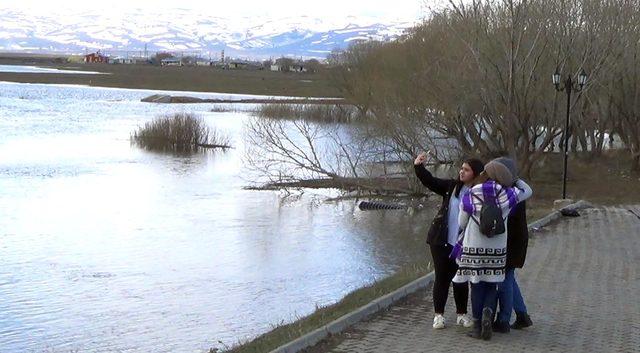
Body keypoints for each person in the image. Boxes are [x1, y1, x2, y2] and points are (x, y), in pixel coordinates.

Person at [452, 161, 532, 340]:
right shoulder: (507, 194)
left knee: (476, 284)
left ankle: (478, 325)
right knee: (491, 284)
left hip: (474, 247)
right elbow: (528, 191)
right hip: (497, 249)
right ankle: (489, 311)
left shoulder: (473, 192)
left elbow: (461, 223)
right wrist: (515, 179)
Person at [414, 152, 484, 329]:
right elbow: (430, 181)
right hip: (440, 240)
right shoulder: (451, 187)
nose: (462, 172)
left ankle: (461, 314)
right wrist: (418, 166)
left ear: (475, 174)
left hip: (463, 243)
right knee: (442, 277)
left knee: (460, 277)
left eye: (466, 170)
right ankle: (439, 315)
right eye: (461, 168)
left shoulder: (480, 192)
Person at [492, 157, 534, 332]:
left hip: (511, 241)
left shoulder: (513, 193)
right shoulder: (516, 190)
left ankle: (503, 320)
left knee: (505, 280)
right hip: (515, 240)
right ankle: (522, 314)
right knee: (509, 278)